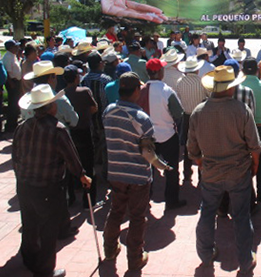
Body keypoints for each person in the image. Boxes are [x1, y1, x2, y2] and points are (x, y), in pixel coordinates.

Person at [188, 65, 261, 273]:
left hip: (210, 173)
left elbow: (192, 149)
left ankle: (205, 254)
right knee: (241, 216)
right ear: (230, 88)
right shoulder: (241, 110)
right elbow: (255, 146)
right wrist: (254, 165)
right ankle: (245, 261)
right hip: (238, 172)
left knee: (207, 212)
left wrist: (202, 164)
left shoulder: (198, 112)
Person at [13, 84, 91, 277]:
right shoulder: (57, 129)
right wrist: (82, 175)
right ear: (51, 107)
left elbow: (16, 156)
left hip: (24, 184)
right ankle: (45, 270)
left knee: (30, 223)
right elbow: (71, 157)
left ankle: (29, 258)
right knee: (49, 228)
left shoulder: (23, 126)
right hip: (47, 186)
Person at [102, 72, 155, 271]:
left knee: (116, 210)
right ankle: (135, 258)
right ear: (135, 91)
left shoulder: (108, 111)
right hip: (138, 176)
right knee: (137, 217)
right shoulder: (142, 118)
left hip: (115, 172)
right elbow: (149, 152)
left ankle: (109, 249)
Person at [137, 58, 186, 210]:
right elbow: (178, 114)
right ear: (159, 72)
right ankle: (171, 201)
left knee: (147, 169)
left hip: (147, 137)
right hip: (167, 135)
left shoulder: (141, 90)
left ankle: (145, 200)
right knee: (171, 170)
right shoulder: (167, 91)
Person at [63, 65, 99, 207]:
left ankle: (71, 197)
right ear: (77, 77)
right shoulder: (84, 91)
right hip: (84, 131)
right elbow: (94, 108)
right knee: (89, 166)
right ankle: (89, 201)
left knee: (70, 164)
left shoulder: (62, 94)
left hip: (70, 133)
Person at [240, 57, 261, 201]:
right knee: (260, 160)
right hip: (259, 127)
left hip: (241, 129)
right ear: (258, 70)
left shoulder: (238, 86)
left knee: (242, 161)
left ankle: (246, 193)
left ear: (242, 70)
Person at [176, 56, 208, 183]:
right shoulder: (202, 82)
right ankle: (202, 176)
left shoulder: (179, 82)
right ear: (197, 70)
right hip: (200, 116)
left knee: (188, 147)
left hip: (186, 116)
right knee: (201, 147)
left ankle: (187, 173)